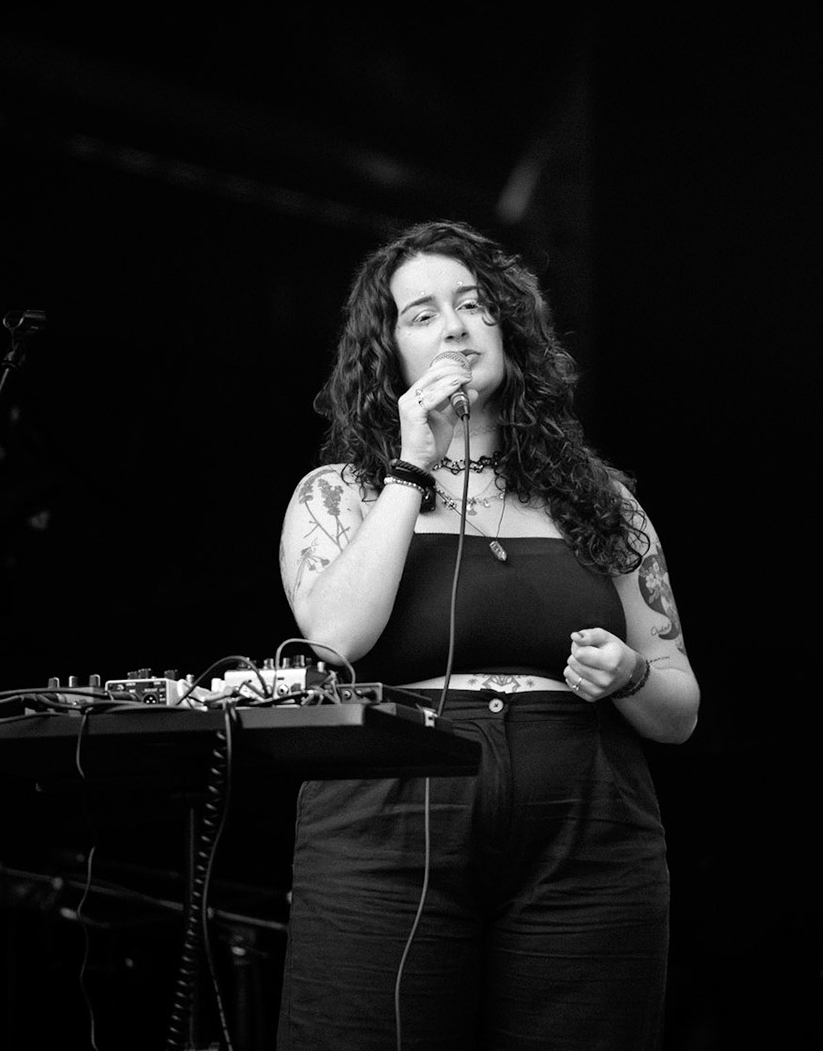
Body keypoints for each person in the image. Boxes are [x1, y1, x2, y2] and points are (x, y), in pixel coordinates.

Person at [274, 219, 700, 1049]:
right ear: (388, 355)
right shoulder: (340, 493)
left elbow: (680, 710)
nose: (457, 327)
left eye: (474, 305)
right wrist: (412, 467)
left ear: (509, 331)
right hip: (390, 816)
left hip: (585, 818)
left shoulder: (602, 501)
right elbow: (333, 639)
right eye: (423, 314)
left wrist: (630, 677)